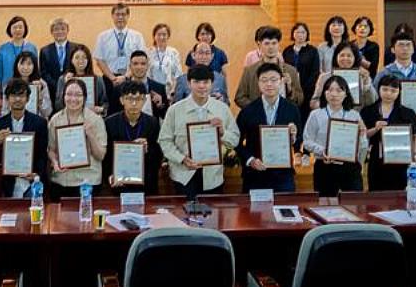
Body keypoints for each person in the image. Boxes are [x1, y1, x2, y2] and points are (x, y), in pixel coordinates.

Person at [160, 65, 239, 198]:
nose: (202, 86)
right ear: (189, 83)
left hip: (213, 177)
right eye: (196, 82)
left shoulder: (222, 109)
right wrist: (182, 159)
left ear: (212, 83)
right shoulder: (174, 110)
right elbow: (165, 141)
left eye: (206, 82)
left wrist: (222, 133)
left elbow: (235, 139)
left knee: (213, 216)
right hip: (183, 175)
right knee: (185, 216)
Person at [374, 31, 416, 182]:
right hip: (390, 134)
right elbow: (375, 101)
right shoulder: (384, 74)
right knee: (389, 179)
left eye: (408, 45)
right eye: (400, 45)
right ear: (392, 49)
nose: (404, 48)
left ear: (413, 49)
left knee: (414, 177)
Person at [235, 63, 302, 193]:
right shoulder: (248, 111)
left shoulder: (292, 109)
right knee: (253, 213)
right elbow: (236, 141)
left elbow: (298, 140)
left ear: (281, 81)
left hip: (283, 176)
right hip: (255, 174)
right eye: (264, 80)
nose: (269, 84)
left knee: (284, 211)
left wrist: (293, 138)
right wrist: (250, 160)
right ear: (258, 83)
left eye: (273, 80)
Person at [303, 75, 368, 197]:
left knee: (354, 204)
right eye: (330, 90)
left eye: (339, 90)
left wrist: (363, 135)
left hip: (350, 167)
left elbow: (362, 145)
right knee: (325, 207)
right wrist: (323, 151)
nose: (334, 94)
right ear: (324, 93)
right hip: (324, 166)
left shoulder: (354, 115)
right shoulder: (316, 114)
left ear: (346, 94)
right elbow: (307, 141)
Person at [47, 78, 107, 200]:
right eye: (69, 94)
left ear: (84, 97)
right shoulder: (55, 120)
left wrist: (90, 135)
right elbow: (51, 149)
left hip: (87, 181)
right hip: (61, 179)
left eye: (78, 95)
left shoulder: (95, 120)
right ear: (63, 96)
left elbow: (101, 155)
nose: (73, 99)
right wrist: (54, 162)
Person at [360, 75, 416, 191]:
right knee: (376, 195)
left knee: (400, 196)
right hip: (377, 160)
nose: (388, 93)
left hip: (400, 161)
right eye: (385, 89)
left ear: (399, 92)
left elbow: (415, 136)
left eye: (393, 90)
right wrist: (375, 129)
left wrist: (414, 154)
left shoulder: (408, 112)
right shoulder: (368, 111)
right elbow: (363, 135)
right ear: (379, 89)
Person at [104, 80, 162, 195]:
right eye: (130, 99)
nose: (134, 104)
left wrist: (148, 149)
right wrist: (110, 175)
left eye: (139, 99)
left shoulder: (153, 122)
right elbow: (106, 155)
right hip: (119, 182)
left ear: (145, 100)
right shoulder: (110, 123)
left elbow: (159, 155)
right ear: (121, 100)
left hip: (146, 183)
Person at [0, 79, 49, 198]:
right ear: (7, 99)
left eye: (21, 95)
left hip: (31, 182)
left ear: (28, 99)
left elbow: (42, 154)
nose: (18, 99)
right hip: (8, 182)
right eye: (13, 95)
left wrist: (36, 175)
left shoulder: (40, 123)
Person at [93, 3, 146, 111]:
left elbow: (141, 60)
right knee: (111, 111)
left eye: (123, 14)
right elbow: (99, 60)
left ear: (128, 16)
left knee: (131, 109)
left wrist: (126, 76)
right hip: (109, 80)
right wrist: (112, 77)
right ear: (112, 16)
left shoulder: (137, 36)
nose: (120, 17)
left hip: (131, 79)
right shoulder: (103, 36)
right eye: (117, 14)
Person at [235, 26, 304, 108]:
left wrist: (289, 89)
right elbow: (239, 97)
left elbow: (300, 99)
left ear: (279, 44)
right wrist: (257, 109)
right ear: (259, 45)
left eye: (274, 43)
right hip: (258, 119)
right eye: (267, 43)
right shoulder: (250, 71)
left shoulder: (291, 70)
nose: (271, 47)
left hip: (283, 118)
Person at [309, 42, 378, 111]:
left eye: (349, 56)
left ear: (355, 58)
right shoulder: (325, 77)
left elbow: (371, 101)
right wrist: (329, 105)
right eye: (342, 55)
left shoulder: (362, 77)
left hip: (353, 118)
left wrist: (366, 83)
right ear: (336, 57)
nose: (345, 58)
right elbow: (313, 103)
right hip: (329, 117)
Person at [281, 22, 320, 126]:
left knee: (304, 118)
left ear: (307, 34)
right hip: (290, 91)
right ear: (293, 34)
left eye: (303, 32)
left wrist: (304, 87)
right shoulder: (287, 50)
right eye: (297, 32)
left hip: (307, 91)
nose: (300, 35)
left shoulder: (313, 51)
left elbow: (315, 72)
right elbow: (283, 69)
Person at [0, 15, 38, 105]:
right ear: (9, 30)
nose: (17, 30)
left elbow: (36, 71)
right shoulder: (2, 48)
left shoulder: (32, 47)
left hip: (28, 93)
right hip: (7, 93)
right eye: (15, 27)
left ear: (25, 29)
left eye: (20, 27)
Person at [54, 44, 108, 116]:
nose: (80, 61)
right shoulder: (62, 79)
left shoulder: (98, 80)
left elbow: (105, 103)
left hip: (92, 117)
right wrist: (66, 85)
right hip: (70, 119)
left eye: (84, 57)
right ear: (71, 60)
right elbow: (58, 106)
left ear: (88, 60)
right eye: (77, 57)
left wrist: (101, 109)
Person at [39, 18, 79, 106]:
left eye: (62, 29)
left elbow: (79, 69)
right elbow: (44, 73)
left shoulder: (76, 48)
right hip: (52, 91)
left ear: (68, 30)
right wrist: (58, 85)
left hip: (73, 90)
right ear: (51, 32)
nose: (59, 32)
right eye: (56, 29)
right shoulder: (45, 51)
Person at [1, 51, 52, 118]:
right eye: (22, 64)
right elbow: (5, 110)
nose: (25, 67)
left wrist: (40, 98)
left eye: (29, 64)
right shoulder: (9, 84)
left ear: (34, 66)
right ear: (16, 65)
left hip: (36, 123)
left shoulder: (42, 84)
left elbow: (47, 112)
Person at [122, 50, 169, 119]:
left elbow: (166, 116)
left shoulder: (159, 88)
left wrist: (160, 105)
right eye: (135, 64)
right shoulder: (120, 89)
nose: (139, 67)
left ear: (148, 66)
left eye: (143, 64)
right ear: (130, 66)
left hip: (151, 128)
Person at [147, 23, 183, 99]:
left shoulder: (174, 52)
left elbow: (178, 75)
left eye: (164, 34)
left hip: (170, 92)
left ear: (168, 36)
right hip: (153, 92)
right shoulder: (148, 52)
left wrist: (173, 92)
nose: (161, 37)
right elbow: (147, 75)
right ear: (154, 36)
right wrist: (152, 93)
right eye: (158, 34)